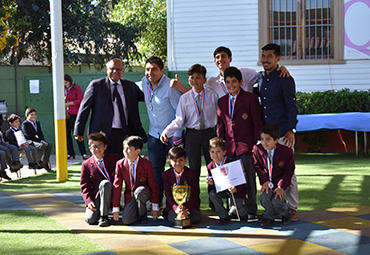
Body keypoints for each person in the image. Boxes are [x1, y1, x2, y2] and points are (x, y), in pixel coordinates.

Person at [257, 43, 299, 221]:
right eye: (264, 56)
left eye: (270, 56)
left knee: (288, 171)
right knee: (269, 170)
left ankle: (292, 207)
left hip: (283, 133)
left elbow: (291, 105)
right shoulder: (259, 78)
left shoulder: (285, 78)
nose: (265, 59)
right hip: (266, 135)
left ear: (278, 58)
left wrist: (291, 129)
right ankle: (273, 207)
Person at [74, 58, 147, 158]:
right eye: (112, 68)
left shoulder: (130, 86)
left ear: (123, 71)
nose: (115, 71)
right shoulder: (96, 85)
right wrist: (78, 130)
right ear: (107, 69)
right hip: (101, 133)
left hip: (122, 132)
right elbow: (84, 108)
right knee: (101, 163)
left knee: (119, 163)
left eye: (118, 69)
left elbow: (147, 97)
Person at [217, 67, 263, 219]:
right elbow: (220, 125)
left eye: (234, 82)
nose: (231, 85)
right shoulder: (222, 101)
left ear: (241, 82)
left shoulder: (250, 98)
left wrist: (256, 144)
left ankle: (251, 209)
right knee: (231, 179)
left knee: (249, 179)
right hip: (229, 148)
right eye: (228, 82)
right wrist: (220, 146)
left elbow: (257, 123)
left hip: (246, 146)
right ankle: (234, 208)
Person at [160, 64, 218, 180]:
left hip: (210, 134)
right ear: (188, 80)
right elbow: (179, 120)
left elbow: (220, 114)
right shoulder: (184, 98)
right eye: (192, 77)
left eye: (198, 77)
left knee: (213, 166)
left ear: (204, 80)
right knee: (194, 167)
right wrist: (166, 132)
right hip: (192, 135)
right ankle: (194, 198)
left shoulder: (212, 95)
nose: (195, 80)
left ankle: (214, 197)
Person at [140, 56, 183, 205]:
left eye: (154, 69)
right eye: (147, 69)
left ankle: (175, 204)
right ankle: (156, 203)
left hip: (171, 136)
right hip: (154, 135)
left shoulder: (170, 88)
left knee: (175, 171)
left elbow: (180, 112)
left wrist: (177, 136)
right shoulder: (145, 82)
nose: (150, 72)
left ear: (162, 71)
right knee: (155, 171)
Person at [171, 46, 289, 97]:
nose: (220, 59)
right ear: (215, 61)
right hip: (226, 123)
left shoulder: (245, 73)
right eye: (217, 57)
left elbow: (266, 72)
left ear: (230, 59)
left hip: (246, 120)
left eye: (223, 56)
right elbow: (196, 91)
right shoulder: (213, 82)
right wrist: (178, 86)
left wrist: (279, 68)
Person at [112, 136, 160, 225]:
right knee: (127, 220)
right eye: (124, 148)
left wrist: (155, 206)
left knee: (140, 191)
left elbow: (153, 185)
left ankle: (142, 214)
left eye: (128, 149)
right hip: (129, 195)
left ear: (138, 151)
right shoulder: (120, 164)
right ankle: (136, 212)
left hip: (143, 192)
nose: (125, 151)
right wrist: (115, 208)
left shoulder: (146, 164)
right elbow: (117, 186)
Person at [253, 124, 294, 227]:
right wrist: (265, 181)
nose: (264, 142)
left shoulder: (286, 151)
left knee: (277, 200)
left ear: (276, 140)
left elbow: (289, 170)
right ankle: (269, 216)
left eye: (268, 139)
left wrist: (281, 186)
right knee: (264, 197)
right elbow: (257, 166)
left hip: (280, 182)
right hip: (267, 181)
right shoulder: (257, 149)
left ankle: (285, 214)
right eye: (262, 139)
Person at [80, 132, 120, 227]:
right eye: (93, 147)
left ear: (105, 147)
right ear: (90, 149)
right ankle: (100, 210)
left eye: (100, 145)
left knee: (105, 183)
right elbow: (84, 185)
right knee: (90, 219)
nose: (97, 149)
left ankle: (104, 216)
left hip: (112, 193)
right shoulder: (86, 164)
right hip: (97, 195)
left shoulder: (114, 158)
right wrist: (89, 201)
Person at [206, 137, 248, 225]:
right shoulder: (210, 166)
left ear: (224, 152)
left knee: (235, 209)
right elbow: (214, 185)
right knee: (212, 194)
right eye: (212, 152)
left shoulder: (231, 163)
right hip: (222, 190)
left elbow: (240, 181)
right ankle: (223, 216)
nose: (215, 155)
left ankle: (243, 213)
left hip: (236, 191)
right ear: (209, 152)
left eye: (218, 151)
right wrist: (211, 183)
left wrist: (236, 188)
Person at [162, 146, 202, 225]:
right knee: (174, 220)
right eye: (175, 160)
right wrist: (176, 208)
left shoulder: (192, 173)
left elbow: (194, 193)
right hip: (174, 204)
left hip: (190, 204)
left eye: (181, 160)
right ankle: (168, 211)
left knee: (195, 219)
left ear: (185, 160)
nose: (178, 163)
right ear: (169, 162)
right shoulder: (165, 175)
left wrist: (187, 210)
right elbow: (168, 194)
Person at [64, 74, 89, 160]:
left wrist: (68, 103)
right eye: (63, 83)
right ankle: (70, 153)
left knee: (77, 134)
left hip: (74, 114)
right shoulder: (63, 89)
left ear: (70, 81)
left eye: (66, 82)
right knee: (66, 135)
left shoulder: (76, 88)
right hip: (65, 115)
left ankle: (83, 153)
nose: (65, 84)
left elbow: (80, 100)